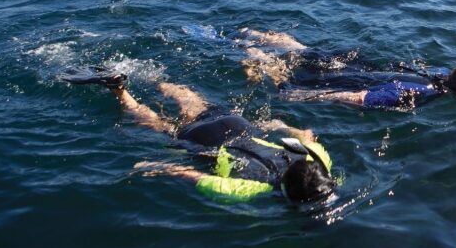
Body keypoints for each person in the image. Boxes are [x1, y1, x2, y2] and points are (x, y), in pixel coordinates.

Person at [60, 67, 335, 204]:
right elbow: (193, 175)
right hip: (204, 141)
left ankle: (152, 77)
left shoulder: (315, 158)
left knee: (191, 102)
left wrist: (281, 126)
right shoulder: (253, 188)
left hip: (237, 124)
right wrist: (156, 168)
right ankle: (119, 89)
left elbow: (307, 134)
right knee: (158, 125)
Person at [238, 28, 456, 110]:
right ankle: (254, 54)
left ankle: (253, 35)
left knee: (304, 51)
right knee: (285, 83)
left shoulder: (440, 72)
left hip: (361, 67)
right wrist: (306, 97)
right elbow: (359, 98)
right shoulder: (419, 93)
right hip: (346, 82)